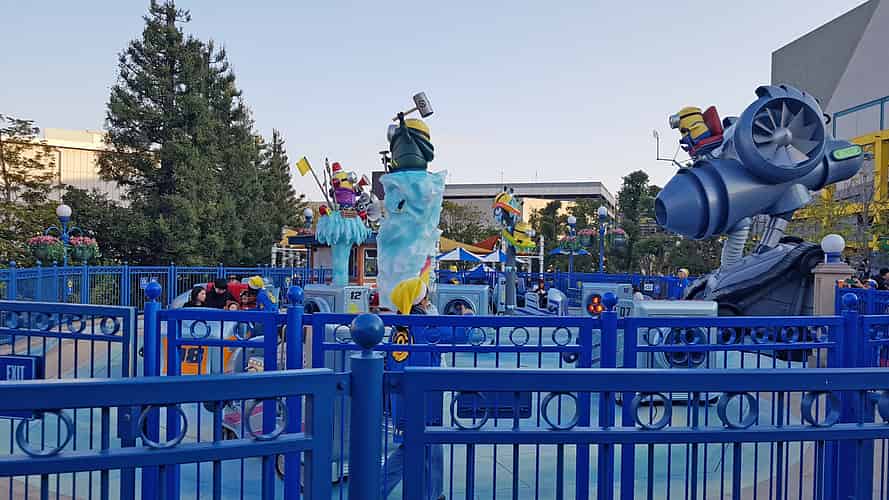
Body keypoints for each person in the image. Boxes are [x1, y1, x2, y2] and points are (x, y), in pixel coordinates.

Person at [382, 259, 450, 500]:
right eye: (425, 298)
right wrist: (467, 315)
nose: (429, 302)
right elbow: (462, 333)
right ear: (418, 302)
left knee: (429, 445)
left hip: (403, 395)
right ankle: (374, 490)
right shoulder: (424, 327)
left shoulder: (399, 326)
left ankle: (434, 493)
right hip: (423, 396)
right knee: (415, 446)